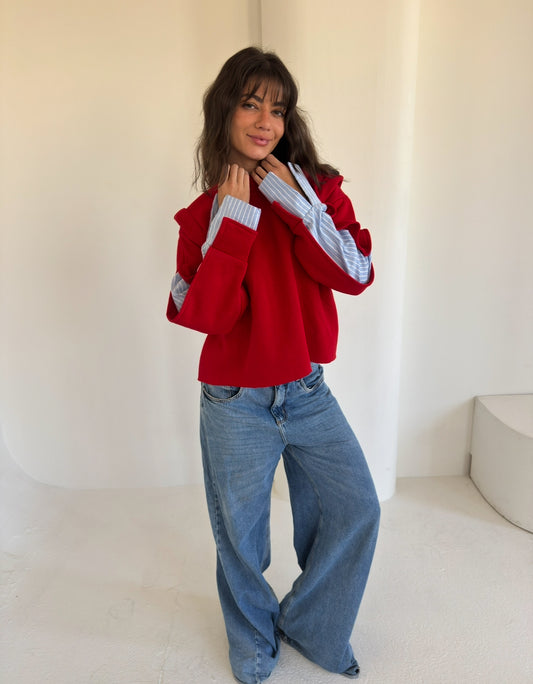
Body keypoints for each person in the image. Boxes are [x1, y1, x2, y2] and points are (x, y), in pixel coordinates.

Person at [167, 46, 380, 684]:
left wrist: (298, 205)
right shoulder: (202, 217)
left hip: (306, 391)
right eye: (251, 103)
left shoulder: (319, 190)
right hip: (233, 400)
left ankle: (312, 624)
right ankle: (253, 639)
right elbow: (206, 316)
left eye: (278, 109)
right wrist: (233, 225)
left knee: (355, 507)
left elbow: (356, 273)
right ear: (225, 112)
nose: (266, 121)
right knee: (242, 538)